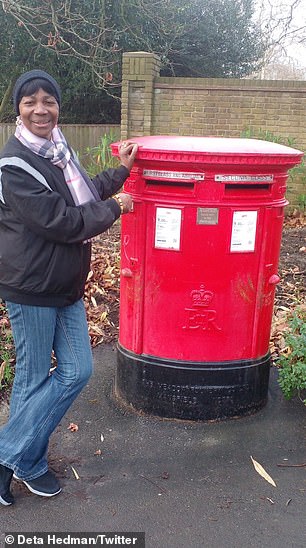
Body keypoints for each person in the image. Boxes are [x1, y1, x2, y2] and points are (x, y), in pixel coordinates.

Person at [0, 69, 138, 506]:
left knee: (78, 371)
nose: (41, 109)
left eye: (49, 101)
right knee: (31, 380)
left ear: (58, 107)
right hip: (31, 287)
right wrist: (116, 207)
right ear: (18, 110)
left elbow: (84, 196)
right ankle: (26, 462)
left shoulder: (59, 152)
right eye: (30, 101)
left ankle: (14, 457)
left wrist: (120, 173)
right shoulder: (15, 165)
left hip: (65, 285)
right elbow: (62, 222)